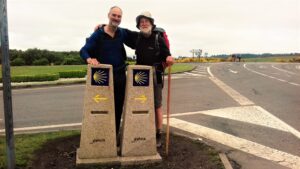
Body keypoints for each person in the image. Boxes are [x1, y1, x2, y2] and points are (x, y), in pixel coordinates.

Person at [80, 6, 137, 137]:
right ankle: (100, 136)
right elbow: (84, 50)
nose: (116, 18)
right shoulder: (98, 34)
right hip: (103, 77)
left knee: (118, 108)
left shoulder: (122, 33)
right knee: (101, 107)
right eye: (114, 15)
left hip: (119, 76)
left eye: (119, 16)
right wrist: (89, 59)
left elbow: (139, 37)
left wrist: (158, 33)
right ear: (108, 15)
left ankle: (113, 136)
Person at [135, 11, 174, 147]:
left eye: (147, 21)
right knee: (140, 104)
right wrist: (102, 25)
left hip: (155, 75)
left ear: (151, 24)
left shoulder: (158, 38)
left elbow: (167, 56)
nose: (144, 23)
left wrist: (169, 59)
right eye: (141, 22)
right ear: (138, 25)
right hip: (139, 78)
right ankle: (142, 130)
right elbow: (120, 31)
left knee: (157, 106)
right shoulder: (137, 38)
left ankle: (158, 134)